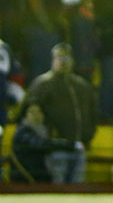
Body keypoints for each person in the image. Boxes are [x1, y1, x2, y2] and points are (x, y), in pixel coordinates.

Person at [22, 43, 96, 183]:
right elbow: (29, 115)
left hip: (79, 148)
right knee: (56, 190)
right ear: (52, 60)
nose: (63, 61)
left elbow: (93, 114)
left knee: (78, 193)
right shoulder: (41, 84)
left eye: (67, 57)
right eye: (59, 57)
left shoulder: (82, 86)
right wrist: (47, 139)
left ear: (73, 60)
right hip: (54, 150)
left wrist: (88, 136)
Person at [10, 102, 77, 182]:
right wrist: (67, 145)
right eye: (31, 112)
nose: (36, 115)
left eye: (39, 111)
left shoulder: (44, 130)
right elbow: (40, 144)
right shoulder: (22, 132)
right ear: (25, 115)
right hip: (27, 177)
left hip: (39, 174)